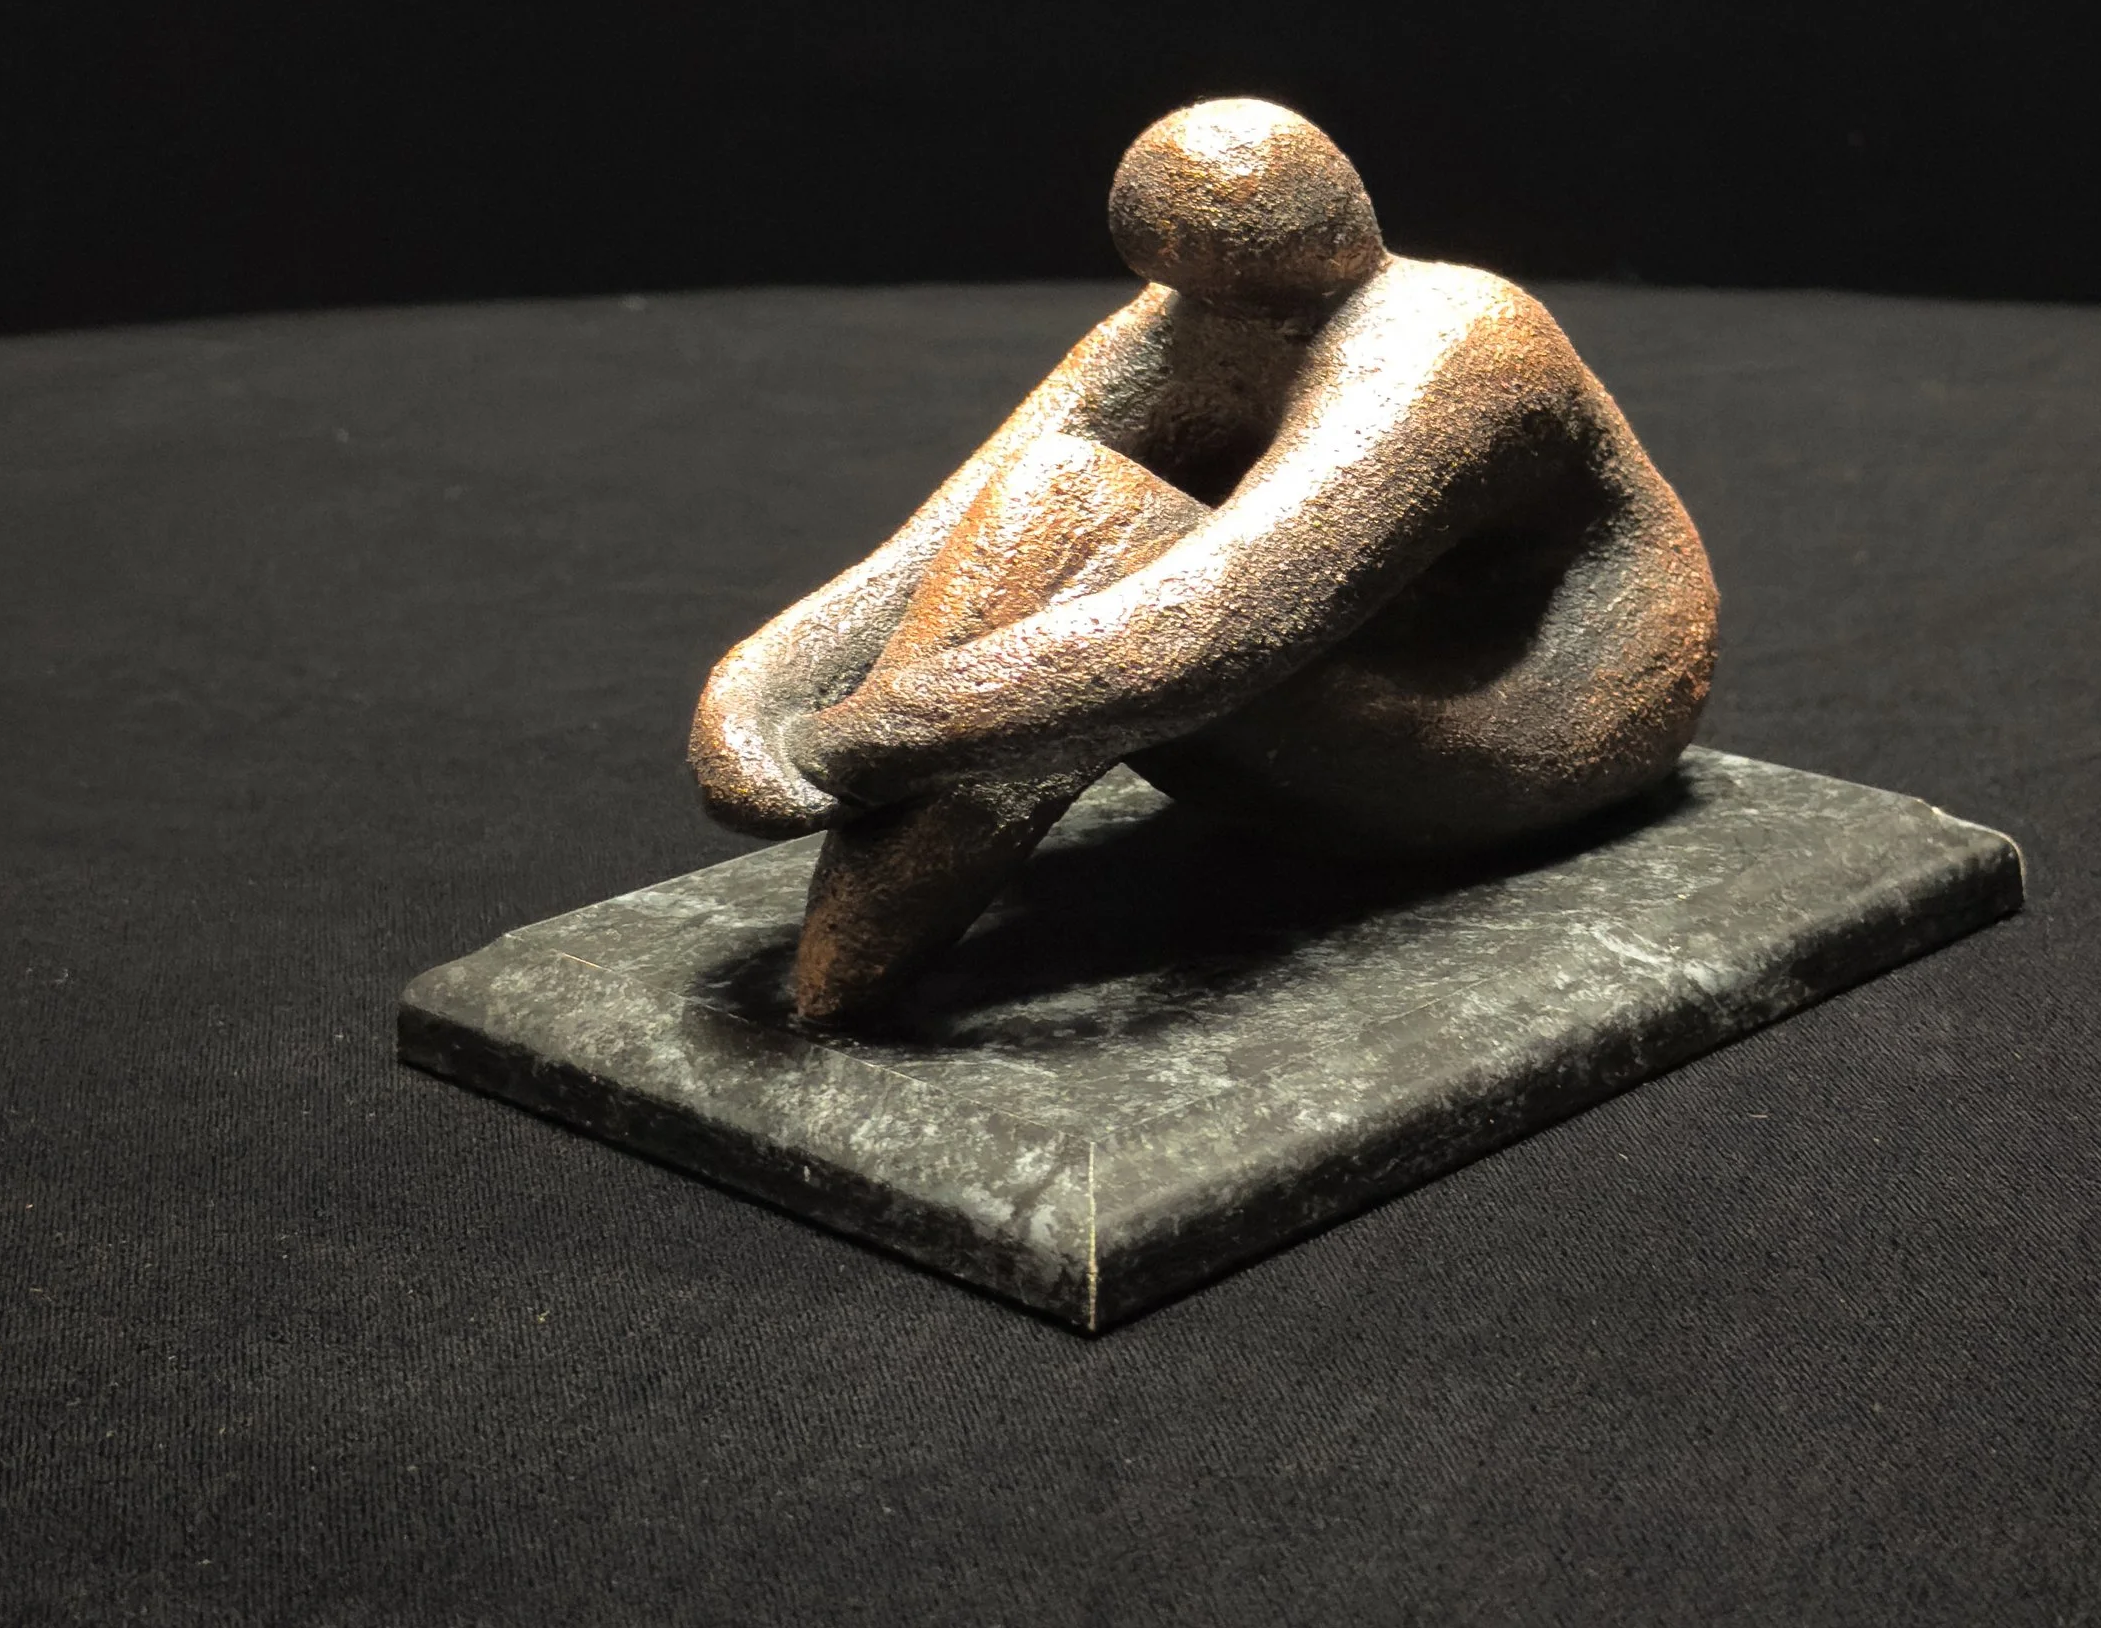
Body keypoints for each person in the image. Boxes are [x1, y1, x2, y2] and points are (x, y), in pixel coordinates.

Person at [690, 100, 1718, 1024]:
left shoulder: (1463, 343)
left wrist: (850, 744)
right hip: (1354, 654)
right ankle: (848, 964)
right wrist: (753, 691)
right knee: (1059, 491)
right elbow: (937, 541)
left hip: (1537, 718)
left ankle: (845, 970)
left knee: (1088, 514)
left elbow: (1208, 634)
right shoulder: (1192, 314)